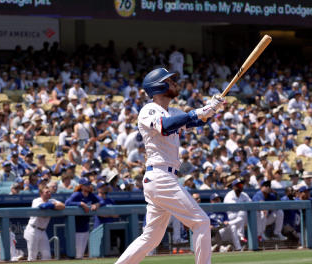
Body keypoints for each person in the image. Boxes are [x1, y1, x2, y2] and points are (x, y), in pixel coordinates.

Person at [115, 68, 223, 264]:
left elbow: (195, 121)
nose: (174, 83)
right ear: (158, 86)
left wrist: (212, 108)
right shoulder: (149, 109)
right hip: (160, 176)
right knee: (201, 222)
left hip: (163, 178)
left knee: (152, 238)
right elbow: (166, 126)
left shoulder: (173, 111)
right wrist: (198, 111)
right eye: (170, 80)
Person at [25, 183, 65, 261]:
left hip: (43, 231)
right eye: (47, 192)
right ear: (41, 193)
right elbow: (43, 207)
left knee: (47, 256)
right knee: (32, 257)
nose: (49, 193)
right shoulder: (36, 200)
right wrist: (53, 205)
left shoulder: (52, 200)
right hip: (33, 230)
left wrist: (52, 205)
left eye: (49, 192)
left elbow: (63, 206)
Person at [65, 177, 100, 259]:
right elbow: (67, 203)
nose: (88, 186)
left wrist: (96, 205)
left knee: (81, 254)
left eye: (89, 184)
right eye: (86, 185)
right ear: (81, 186)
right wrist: (81, 203)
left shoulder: (91, 195)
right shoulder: (77, 194)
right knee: (77, 255)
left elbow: (100, 201)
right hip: (76, 228)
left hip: (85, 226)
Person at [224, 179, 252, 244]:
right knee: (242, 212)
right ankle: (241, 235)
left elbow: (251, 204)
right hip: (230, 216)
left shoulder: (244, 194)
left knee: (258, 214)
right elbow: (235, 208)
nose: (241, 186)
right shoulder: (230, 195)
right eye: (238, 185)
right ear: (233, 187)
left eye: (241, 185)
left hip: (238, 219)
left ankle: (259, 235)